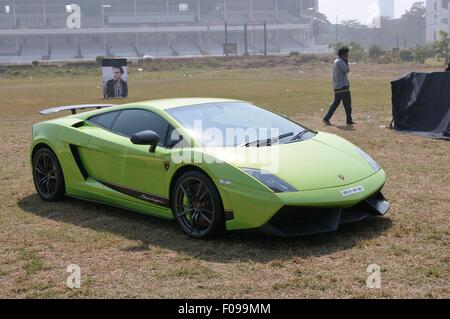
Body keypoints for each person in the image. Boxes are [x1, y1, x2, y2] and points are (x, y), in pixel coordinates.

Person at [323, 46, 357, 126]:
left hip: (337, 87)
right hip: (343, 87)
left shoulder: (336, 61)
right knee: (348, 105)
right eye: (346, 55)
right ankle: (349, 120)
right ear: (342, 55)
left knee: (335, 104)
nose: (347, 56)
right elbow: (347, 70)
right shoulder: (340, 61)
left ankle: (326, 118)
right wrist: (346, 61)